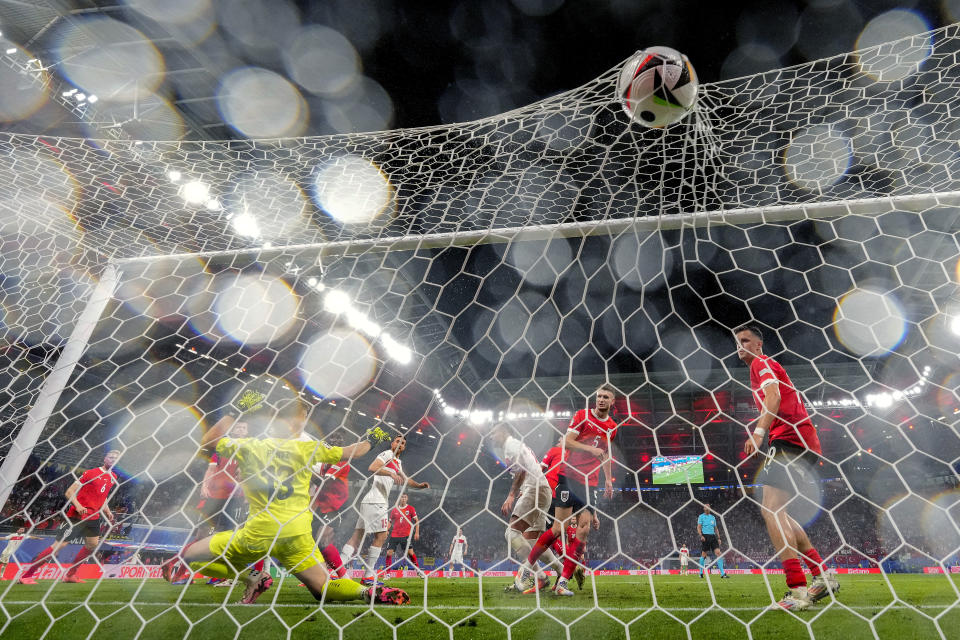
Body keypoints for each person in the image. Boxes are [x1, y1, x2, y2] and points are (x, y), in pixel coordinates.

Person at [164, 398, 409, 606]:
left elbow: (208, 441)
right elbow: (352, 452)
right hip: (296, 534)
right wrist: (373, 437)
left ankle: (251, 577)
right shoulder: (306, 448)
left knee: (188, 557)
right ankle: (365, 592)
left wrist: (236, 410)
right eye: (303, 417)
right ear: (298, 421)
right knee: (323, 589)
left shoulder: (250, 447)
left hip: (259, 532)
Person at [735, 323, 839, 610]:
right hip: (801, 441)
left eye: (745, 340)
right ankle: (822, 575)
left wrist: (758, 433)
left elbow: (775, 396)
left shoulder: (762, 363)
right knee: (778, 510)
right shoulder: (757, 369)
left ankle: (798, 591)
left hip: (790, 439)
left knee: (770, 509)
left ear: (758, 344)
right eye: (737, 341)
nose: (739, 345)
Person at [516, 385, 618, 596]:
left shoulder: (612, 427)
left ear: (612, 402)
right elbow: (568, 442)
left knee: (584, 530)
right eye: (598, 396)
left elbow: (605, 454)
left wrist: (608, 479)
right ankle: (526, 569)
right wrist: (590, 448)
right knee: (558, 529)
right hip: (569, 478)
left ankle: (562, 582)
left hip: (590, 484)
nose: (600, 399)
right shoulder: (582, 415)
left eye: (605, 397)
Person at [17, 450, 120, 585]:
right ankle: (26, 576)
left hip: (94, 517)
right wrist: (77, 506)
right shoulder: (90, 473)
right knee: (59, 545)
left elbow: (103, 495)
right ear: (105, 458)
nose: (113, 460)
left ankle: (70, 575)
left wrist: (107, 510)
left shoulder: (113, 476)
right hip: (78, 516)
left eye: (116, 458)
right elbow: (69, 491)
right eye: (111, 457)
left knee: (92, 545)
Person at [341, 434, 429, 586]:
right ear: (392, 443)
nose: (400, 444)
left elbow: (406, 480)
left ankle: (336, 571)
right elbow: (372, 467)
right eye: (397, 441)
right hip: (377, 502)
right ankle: (368, 576)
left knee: (357, 537)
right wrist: (390, 473)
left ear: (404, 447)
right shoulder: (387, 454)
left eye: (403, 443)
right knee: (381, 537)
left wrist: (419, 486)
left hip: (371, 501)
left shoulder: (397, 462)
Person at [490, 424, 562, 593]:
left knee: (511, 533)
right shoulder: (515, 445)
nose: (492, 437)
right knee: (532, 542)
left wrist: (511, 494)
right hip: (541, 489)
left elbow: (521, 470)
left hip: (534, 488)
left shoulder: (511, 445)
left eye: (494, 433)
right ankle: (562, 571)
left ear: (504, 432)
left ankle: (539, 576)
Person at [307, 431, 355, 581]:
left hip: (336, 507)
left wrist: (304, 470)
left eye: (337, 440)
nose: (333, 442)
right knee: (316, 543)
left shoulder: (342, 461)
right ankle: (325, 576)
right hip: (321, 507)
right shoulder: (323, 463)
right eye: (331, 440)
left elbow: (323, 482)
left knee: (323, 540)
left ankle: (344, 577)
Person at [383, 493, 419, 575]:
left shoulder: (410, 509)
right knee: (389, 553)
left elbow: (417, 521)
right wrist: (386, 530)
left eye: (405, 497)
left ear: (407, 499)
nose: (403, 498)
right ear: (399, 498)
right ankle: (387, 573)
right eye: (402, 497)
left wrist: (417, 532)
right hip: (394, 535)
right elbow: (390, 521)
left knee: (410, 553)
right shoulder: (395, 509)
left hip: (405, 535)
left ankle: (418, 570)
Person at [697, 504, 728, 578]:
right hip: (705, 537)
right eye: (706, 506)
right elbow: (698, 527)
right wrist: (701, 535)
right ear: (704, 508)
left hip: (713, 537)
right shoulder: (701, 517)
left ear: (710, 508)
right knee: (704, 555)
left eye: (709, 507)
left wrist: (719, 538)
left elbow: (716, 528)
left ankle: (722, 573)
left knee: (718, 553)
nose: (707, 508)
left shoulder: (713, 517)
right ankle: (701, 572)